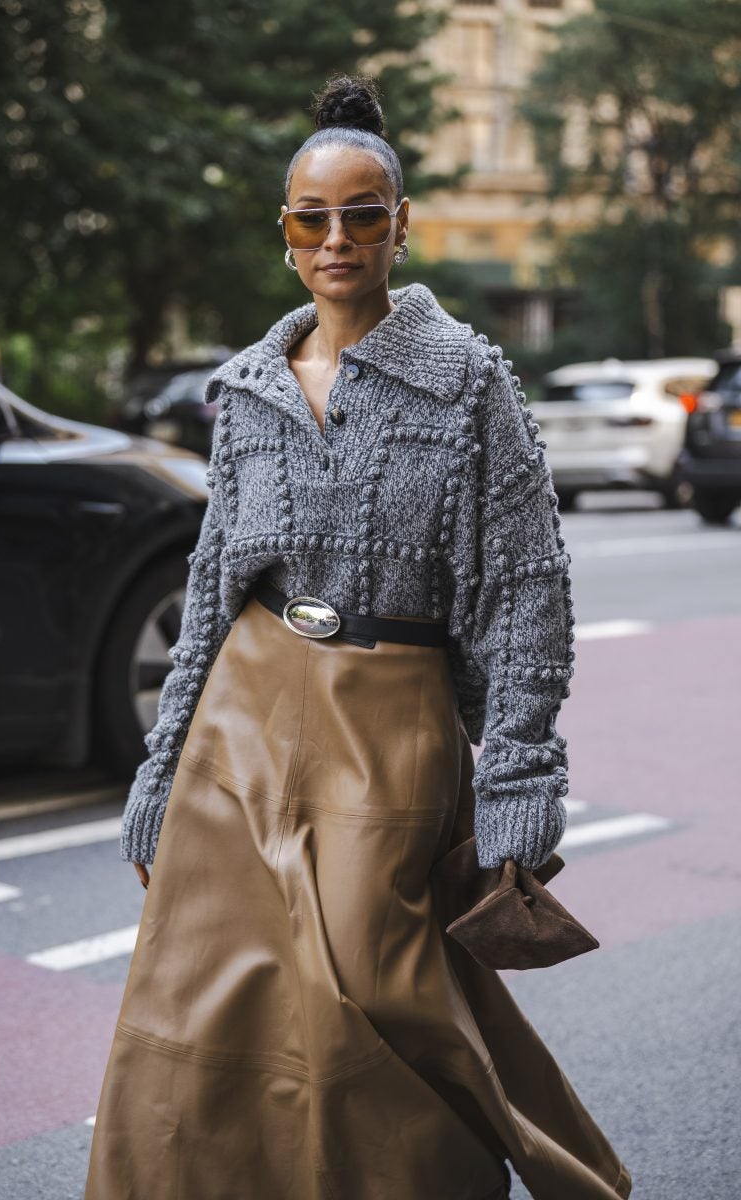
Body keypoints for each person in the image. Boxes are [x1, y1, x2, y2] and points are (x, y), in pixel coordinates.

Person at [84, 75, 632, 1200]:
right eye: (309, 218)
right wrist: (157, 770)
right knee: (199, 1013)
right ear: (286, 237)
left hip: (391, 733)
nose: (336, 238)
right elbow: (208, 597)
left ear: (398, 224)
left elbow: (523, 596)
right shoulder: (243, 391)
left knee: (375, 1015)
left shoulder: (467, 380)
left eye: (361, 213)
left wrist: (517, 786)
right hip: (240, 728)